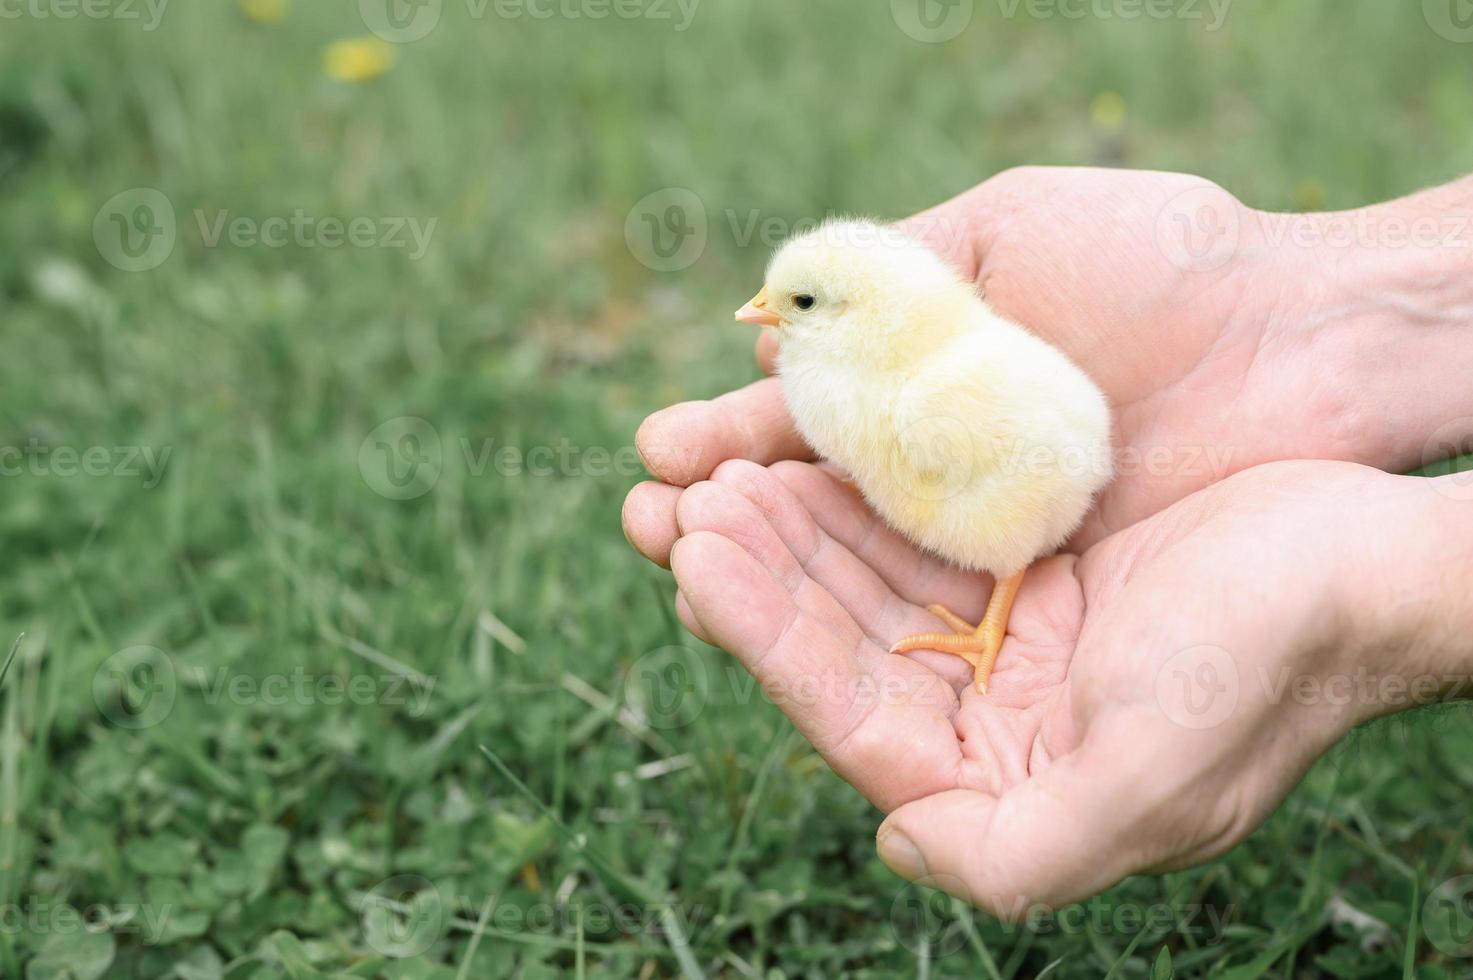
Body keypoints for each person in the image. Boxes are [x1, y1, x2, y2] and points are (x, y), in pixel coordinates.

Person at [621, 167, 1473, 916]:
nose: (767, 313)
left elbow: (1031, 466)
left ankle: (992, 609)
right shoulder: (904, 356)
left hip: (1029, 475)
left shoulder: (924, 392)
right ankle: (992, 600)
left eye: (798, 304)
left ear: (860, 314)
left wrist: (1383, 578)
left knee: (968, 490)